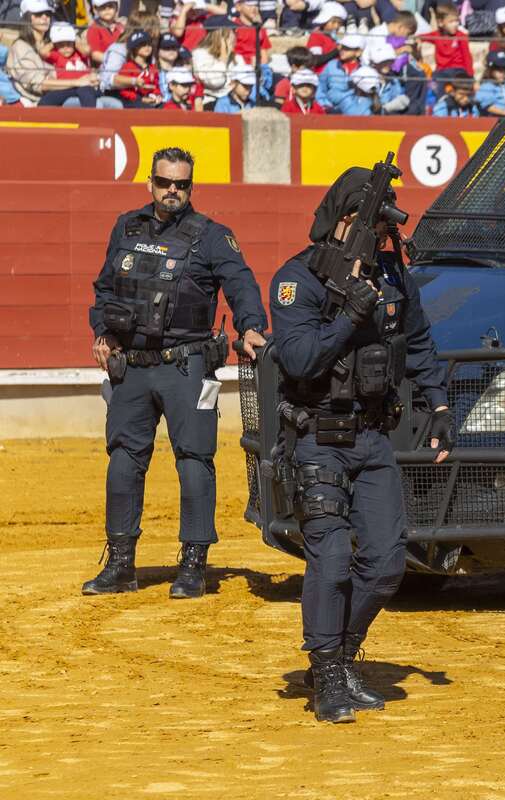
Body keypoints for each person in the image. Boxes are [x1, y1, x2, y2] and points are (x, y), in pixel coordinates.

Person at [268, 166, 453, 723]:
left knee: (387, 563)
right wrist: (350, 313)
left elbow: (417, 341)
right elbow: (299, 360)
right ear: (339, 220)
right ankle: (326, 674)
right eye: (362, 220)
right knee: (330, 559)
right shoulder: (298, 279)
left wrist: (439, 406)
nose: (373, 233)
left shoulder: (392, 275)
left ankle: (342, 656)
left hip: (372, 437)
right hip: (317, 435)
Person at [84, 148, 268, 601]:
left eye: (181, 184)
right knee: (124, 460)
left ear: (191, 187)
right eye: (165, 182)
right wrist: (103, 332)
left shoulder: (211, 236)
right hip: (132, 368)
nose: (172, 191)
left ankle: (193, 566)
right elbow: (105, 287)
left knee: (193, 461)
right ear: (150, 183)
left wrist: (250, 326)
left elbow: (240, 283)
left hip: (186, 367)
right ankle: (122, 563)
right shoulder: (126, 227)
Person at [6, 0, 106, 108]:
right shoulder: (21, 47)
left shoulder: (56, 40)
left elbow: (85, 52)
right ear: (27, 17)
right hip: (39, 102)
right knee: (95, 103)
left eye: (48, 14)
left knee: (111, 103)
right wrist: (77, 82)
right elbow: (39, 84)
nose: (45, 17)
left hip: (70, 90)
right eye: (38, 14)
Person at [315, 32, 361, 109]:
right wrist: (325, 105)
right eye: (342, 47)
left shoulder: (364, 69)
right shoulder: (331, 65)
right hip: (331, 110)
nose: (342, 50)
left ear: (358, 52)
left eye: (347, 48)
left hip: (356, 111)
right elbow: (320, 87)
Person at [116, 30, 162, 107]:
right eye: (142, 45)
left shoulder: (152, 67)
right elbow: (123, 90)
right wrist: (140, 99)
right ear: (134, 48)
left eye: (149, 44)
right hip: (132, 102)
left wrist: (156, 95)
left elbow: (156, 86)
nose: (147, 47)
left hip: (150, 99)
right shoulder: (128, 67)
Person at [426, 4, 472, 77]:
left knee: (462, 84)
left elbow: (467, 57)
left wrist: (470, 76)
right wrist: (417, 39)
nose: (455, 24)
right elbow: (421, 37)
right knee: (432, 84)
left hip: (458, 70)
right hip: (441, 71)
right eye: (451, 22)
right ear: (441, 23)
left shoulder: (461, 36)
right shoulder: (436, 35)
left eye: (457, 21)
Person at [305, 2, 347, 72]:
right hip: (321, 74)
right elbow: (316, 60)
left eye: (339, 23)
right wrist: (336, 50)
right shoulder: (316, 36)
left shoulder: (338, 37)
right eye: (333, 22)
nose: (336, 26)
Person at [475, 49, 505, 117]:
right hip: (495, 121)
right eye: (499, 70)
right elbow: (488, 107)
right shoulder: (486, 86)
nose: (503, 73)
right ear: (490, 70)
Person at [85, 0, 125, 67]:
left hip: (122, 65)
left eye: (110, 6)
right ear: (96, 9)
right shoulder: (94, 28)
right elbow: (95, 54)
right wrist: (115, 61)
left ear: (116, 7)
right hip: (104, 68)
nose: (107, 9)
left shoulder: (121, 27)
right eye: (102, 7)